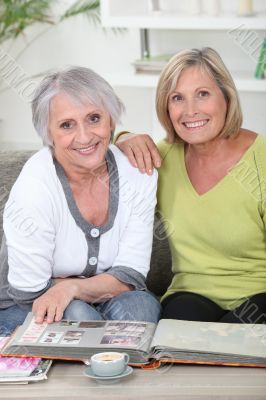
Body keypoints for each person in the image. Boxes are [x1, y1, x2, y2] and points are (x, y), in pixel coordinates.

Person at [0, 66, 161, 336]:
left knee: (141, 308)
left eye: (94, 118)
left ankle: (114, 373)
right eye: (67, 125)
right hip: (19, 308)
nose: (85, 136)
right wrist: (99, 285)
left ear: (111, 120)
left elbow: (131, 276)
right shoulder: (35, 187)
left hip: (102, 299)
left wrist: (71, 286)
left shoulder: (137, 171)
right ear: (48, 134)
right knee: (78, 316)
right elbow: (30, 292)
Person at [116, 47, 266, 324]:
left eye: (203, 94)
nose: (190, 111)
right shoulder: (158, 159)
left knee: (238, 341)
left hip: (260, 293)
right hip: (190, 293)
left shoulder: (261, 158)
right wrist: (122, 139)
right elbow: (97, 167)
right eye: (177, 98)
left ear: (227, 97)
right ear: (166, 107)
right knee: (179, 336)